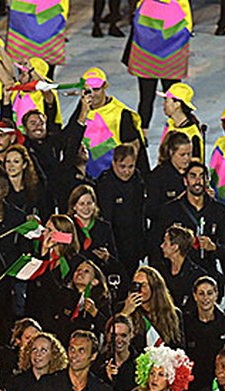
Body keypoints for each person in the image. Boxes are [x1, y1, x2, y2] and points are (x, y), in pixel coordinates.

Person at [66, 68, 148, 180]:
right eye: (88, 91)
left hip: (114, 179)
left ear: (105, 87)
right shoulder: (82, 110)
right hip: (88, 177)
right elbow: (69, 140)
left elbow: (133, 148)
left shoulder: (121, 114)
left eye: (96, 89)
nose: (92, 95)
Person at [125, 0, 192, 130]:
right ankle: (179, 131)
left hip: (148, 56)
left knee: (146, 98)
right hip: (171, 55)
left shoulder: (144, 3)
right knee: (174, 99)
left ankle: (143, 135)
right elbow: (187, 26)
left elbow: (137, 24)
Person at [95, 144, 147, 274]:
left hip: (133, 243)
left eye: (131, 166)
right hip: (114, 244)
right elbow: (105, 219)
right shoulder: (105, 183)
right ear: (113, 163)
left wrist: (142, 246)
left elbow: (140, 215)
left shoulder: (137, 181)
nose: (127, 171)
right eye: (122, 166)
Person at [120, 265, 184, 349]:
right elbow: (114, 341)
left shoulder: (173, 314)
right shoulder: (124, 309)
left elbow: (179, 348)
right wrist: (125, 313)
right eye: (135, 285)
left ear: (154, 288)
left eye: (143, 285)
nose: (138, 290)